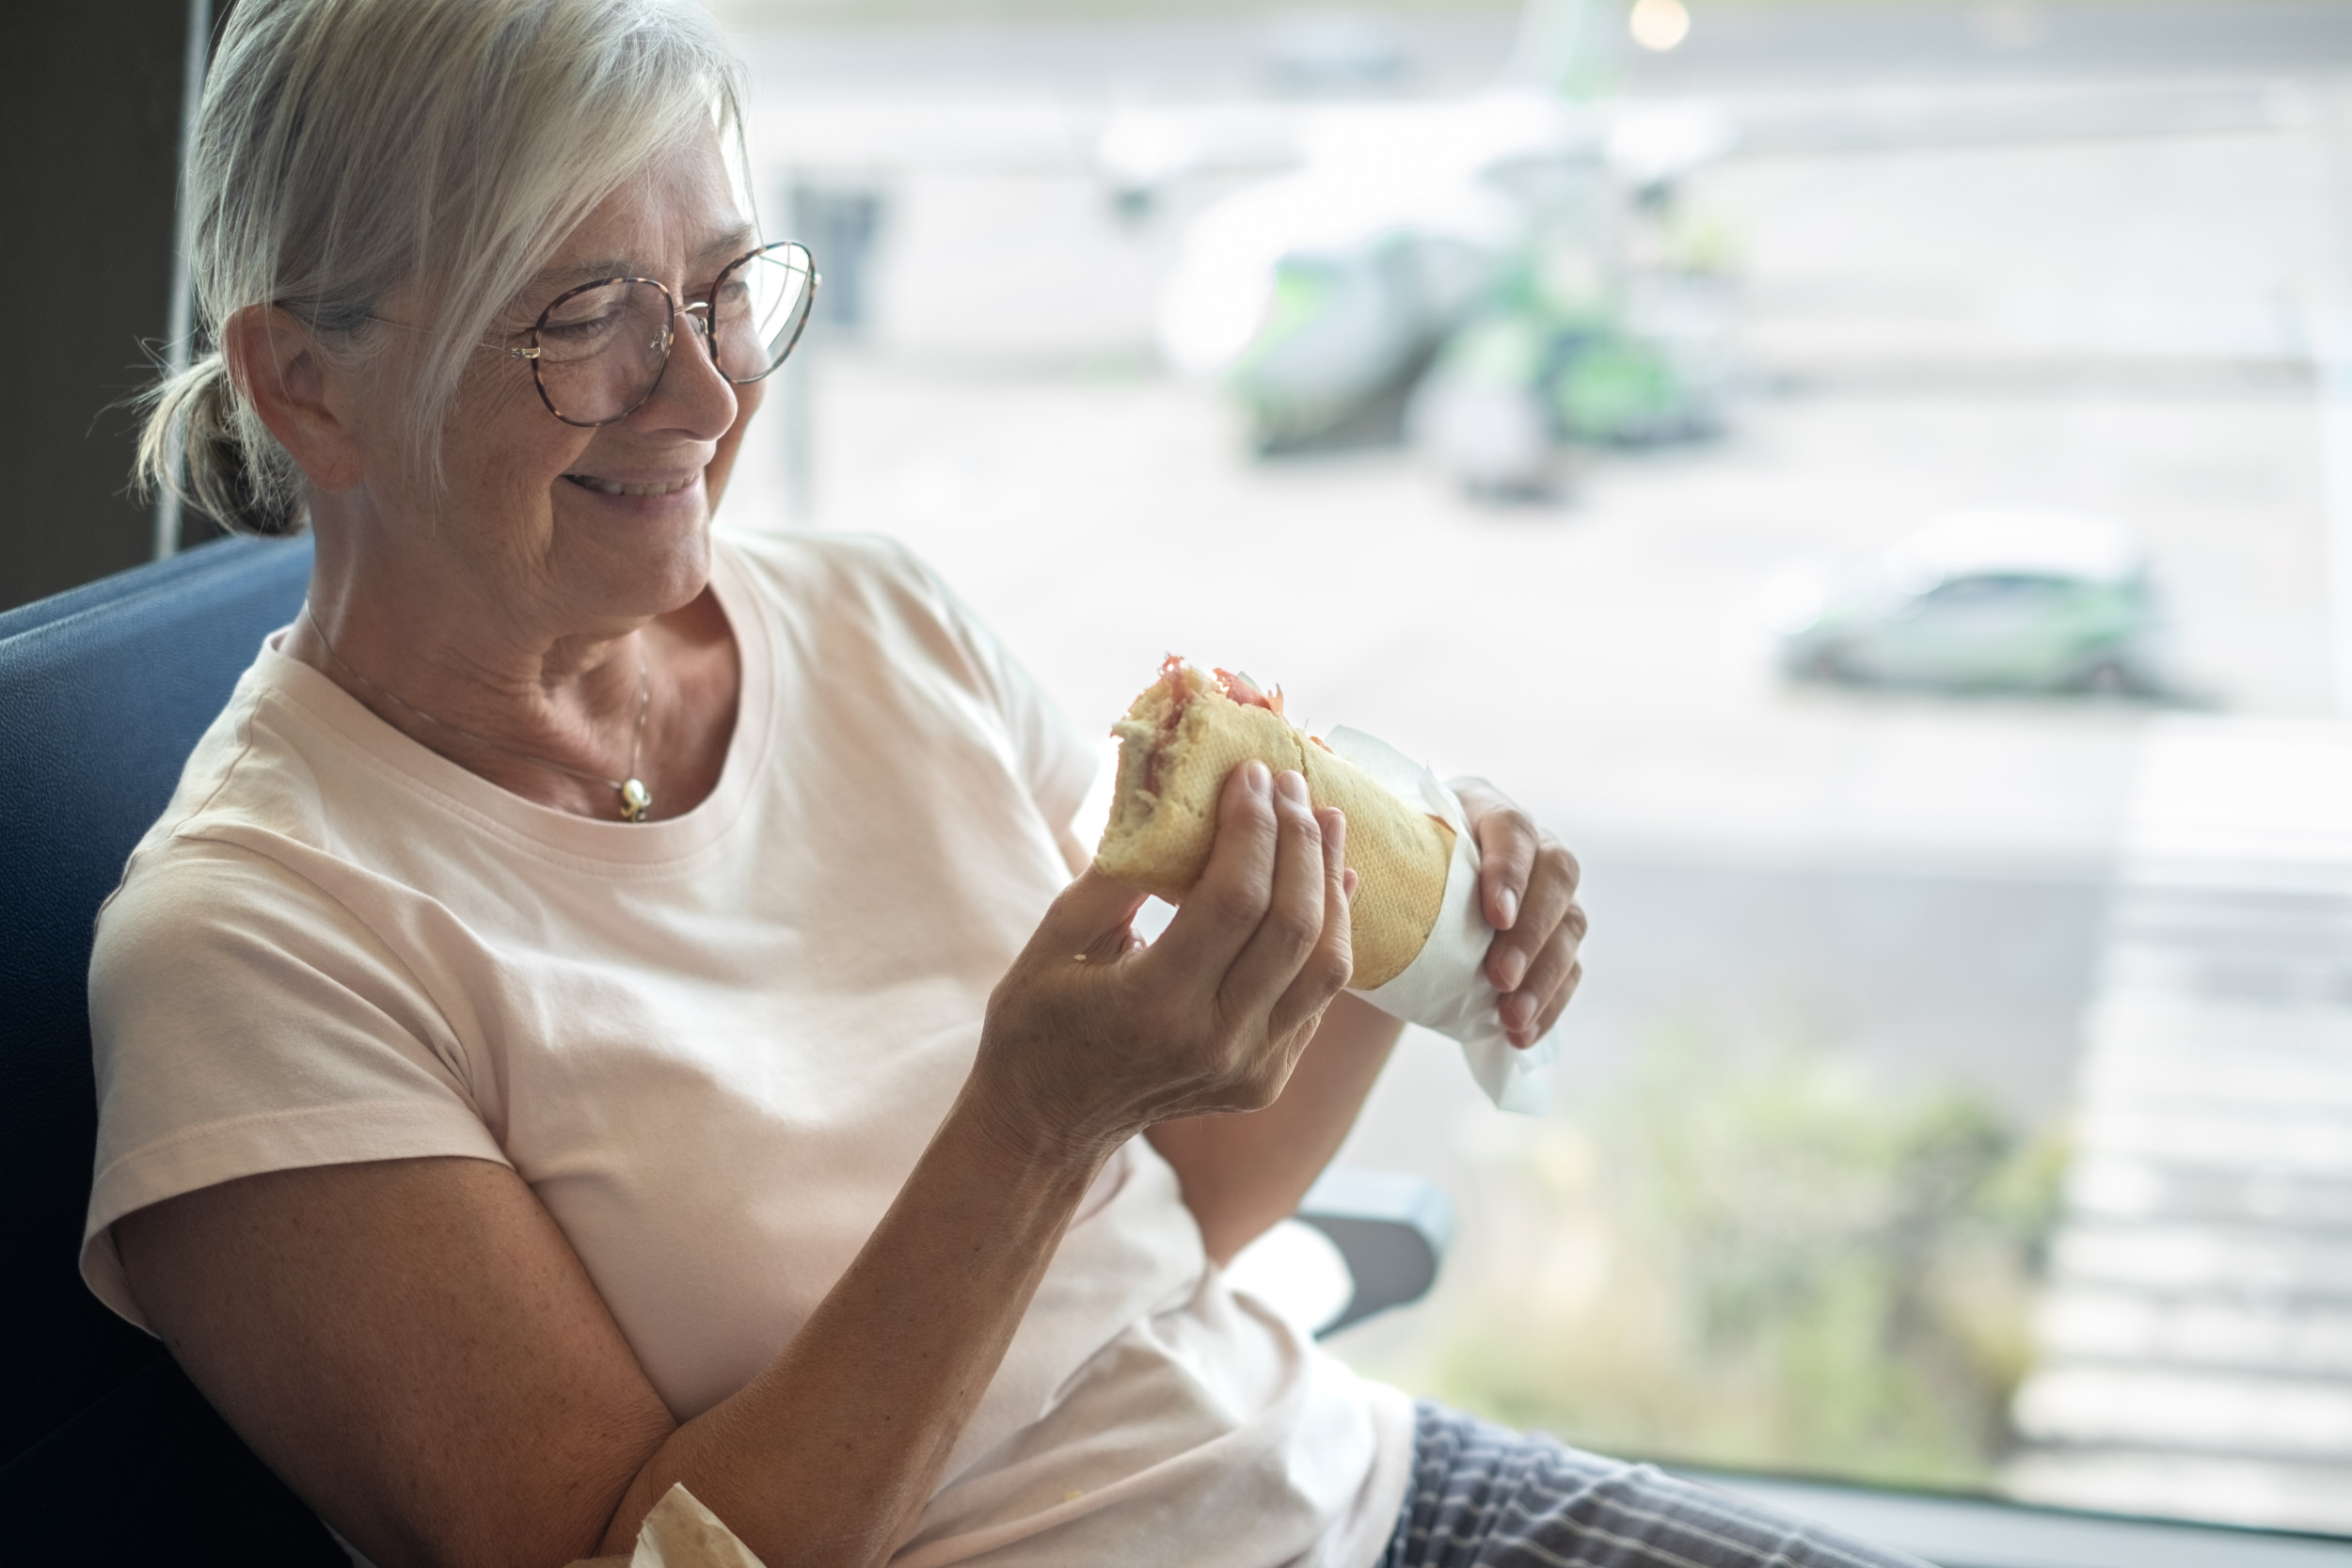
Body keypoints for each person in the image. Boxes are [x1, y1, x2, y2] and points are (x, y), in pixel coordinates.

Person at [87, 3, 1930, 1566]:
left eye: (725, 290)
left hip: (1342, 1494)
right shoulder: (257, 950)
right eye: (584, 315)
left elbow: (1169, 1224)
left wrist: (1394, 938)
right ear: (307, 385)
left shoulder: (876, 615)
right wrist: (1028, 1124)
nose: (706, 396)